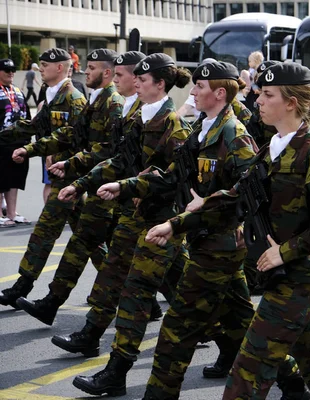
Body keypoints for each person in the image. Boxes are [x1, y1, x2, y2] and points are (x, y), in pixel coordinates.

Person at [148, 62, 310, 399]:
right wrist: (175, 224)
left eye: (267, 95)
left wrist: (283, 251)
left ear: (291, 102)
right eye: (260, 93)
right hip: (285, 276)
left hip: (298, 277)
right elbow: (235, 197)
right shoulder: (274, 147)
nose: (258, 101)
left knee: (245, 378)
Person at [67, 53, 192, 397]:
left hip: (161, 223)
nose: (135, 80)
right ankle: (93, 336)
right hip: (134, 216)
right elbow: (121, 159)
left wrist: (128, 186)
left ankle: (116, 370)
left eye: (143, 77)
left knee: (138, 292)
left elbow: (170, 179)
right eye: (134, 76)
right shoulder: (138, 118)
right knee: (114, 274)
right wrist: (81, 184)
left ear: (160, 84)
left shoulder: (174, 126)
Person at [141, 60, 259, 399]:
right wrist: (126, 186)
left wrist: (199, 209)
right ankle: (293, 384)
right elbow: (173, 177)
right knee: (242, 323)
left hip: (218, 245)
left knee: (177, 328)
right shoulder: (203, 129)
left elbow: (248, 191)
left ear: (219, 93)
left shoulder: (234, 135)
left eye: (200, 88)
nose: (192, 92)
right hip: (206, 240)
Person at [15, 49, 125, 326]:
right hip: (85, 180)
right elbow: (70, 134)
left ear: (108, 73)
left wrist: (72, 165)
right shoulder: (94, 99)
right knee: (83, 242)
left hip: (103, 184)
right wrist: (30, 149)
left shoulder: (112, 102)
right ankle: (48, 301)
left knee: (91, 242)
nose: (85, 72)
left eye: (91, 68)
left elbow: (108, 149)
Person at [0, 48, 87, 309]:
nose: (39, 67)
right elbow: (34, 126)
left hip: (70, 176)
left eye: (44, 64)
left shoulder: (74, 98)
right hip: (61, 174)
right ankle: (152, 298)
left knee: (44, 231)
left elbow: (76, 138)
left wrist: (33, 149)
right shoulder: (52, 96)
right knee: (90, 238)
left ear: (60, 67)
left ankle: (21, 286)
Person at [0, 58, 29, 228]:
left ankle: (12, 213)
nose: (11, 73)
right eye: (6, 70)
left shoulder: (18, 91)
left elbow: (27, 117)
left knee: (14, 180)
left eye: (13, 70)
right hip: (1, 143)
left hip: (17, 143)